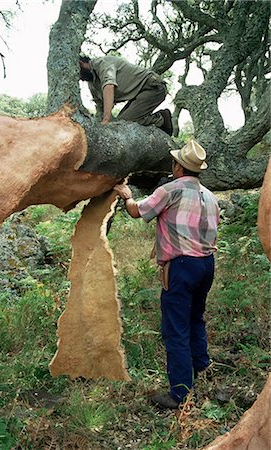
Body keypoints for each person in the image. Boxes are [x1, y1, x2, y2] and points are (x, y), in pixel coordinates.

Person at [113, 140, 219, 409]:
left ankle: (181, 393)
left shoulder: (169, 190)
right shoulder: (210, 195)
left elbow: (138, 211)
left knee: (176, 328)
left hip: (182, 266)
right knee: (195, 317)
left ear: (178, 166)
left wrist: (126, 196)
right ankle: (202, 367)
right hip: (206, 264)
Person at [79, 55, 173, 135]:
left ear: (81, 63)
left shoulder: (101, 63)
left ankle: (161, 119)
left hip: (152, 87)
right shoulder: (92, 84)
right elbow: (100, 107)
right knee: (119, 122)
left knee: (125, 122)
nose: (80, 77)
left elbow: (109, 85)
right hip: (138, 95)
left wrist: (106, 119)